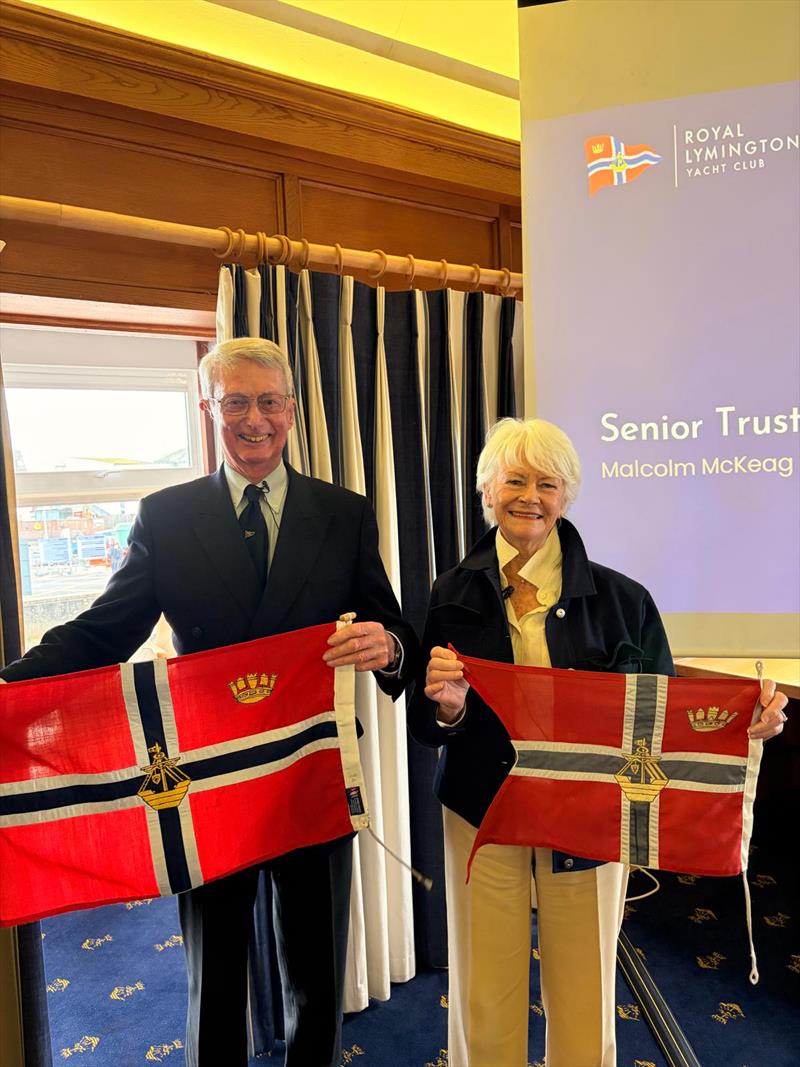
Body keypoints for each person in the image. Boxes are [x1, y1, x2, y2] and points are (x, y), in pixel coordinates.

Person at [0, 336, 419, 1067]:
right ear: (209, 410)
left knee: (317, 967)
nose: (252, 419)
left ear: (291, 411)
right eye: (234, 403)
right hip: (207, 780)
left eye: (267, 402)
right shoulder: (164, 515)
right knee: (215, 969)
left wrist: (392, 648)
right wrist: (10, 689)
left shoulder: (345, 514)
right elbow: (106, 630)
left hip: (311, 771)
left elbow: (393, 623)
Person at [408, 417, 788, 1067]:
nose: (530, 495)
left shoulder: (623, 600)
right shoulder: (449, 592)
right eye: (515, 479)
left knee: (584, 983)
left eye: (548, 483)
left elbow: (665, 715)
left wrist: (742, 724)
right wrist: (445, 708)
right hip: (482, 807)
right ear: (485, 489)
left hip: (590, 815)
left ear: (567, 496)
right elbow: (425, 723)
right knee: (482, 983)